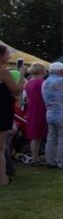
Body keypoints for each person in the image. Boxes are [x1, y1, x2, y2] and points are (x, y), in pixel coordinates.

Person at [0, 46, 24, 185]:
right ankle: (2, 178)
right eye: (7, 54)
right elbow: (16, 91)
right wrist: (21, 74)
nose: (9, 57)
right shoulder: (3, 72)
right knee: (1, 147)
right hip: (2, 111)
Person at [21, 63, 48, 165]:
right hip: (42, 109)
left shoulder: (27, 83)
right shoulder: (43, 83)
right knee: (46, 135)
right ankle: (47, 156)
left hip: (31, 110)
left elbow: (26, 98)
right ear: (42, 71)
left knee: (35, 136)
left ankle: (34, 158)